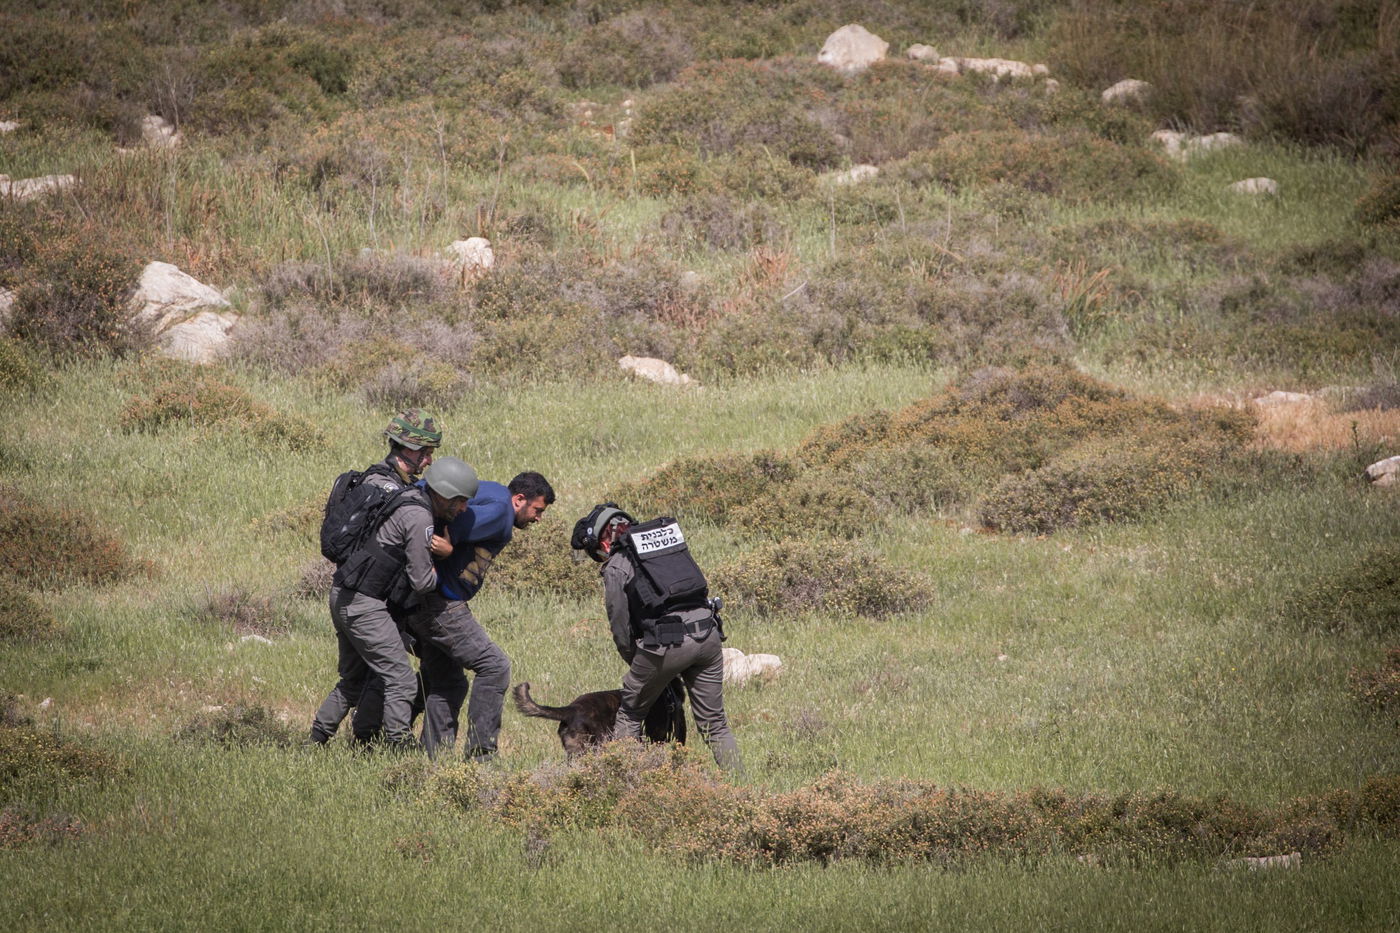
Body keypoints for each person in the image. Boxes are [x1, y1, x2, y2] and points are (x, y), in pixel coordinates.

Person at [305, 408, 453, 746]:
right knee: (402, 680)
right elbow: (419, 576)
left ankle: (314, 743)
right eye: (426, 452)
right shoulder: (404, 501)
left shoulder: (375, 481)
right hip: (365, 601)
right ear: (408, 449)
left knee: (353, 679)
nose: (429, 460)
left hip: (344, 593)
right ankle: (398, 749)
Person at [571, 504, 741, 772]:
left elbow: (621, 628)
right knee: (715, 723)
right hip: (708, 634)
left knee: (629, 713)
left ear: (604, 539)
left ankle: (628, 783)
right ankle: (739, 784)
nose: (600, 555)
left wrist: (637, 663)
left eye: (596, 551)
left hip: (666, 644)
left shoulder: (616, 565)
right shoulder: (664, 546)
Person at [407, 471, 556, 759]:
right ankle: (481, 757)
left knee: (447, 682)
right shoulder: (501, 512)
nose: (538, 518)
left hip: (424, 599)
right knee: (494, 666)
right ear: (519, 499)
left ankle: (432, 757)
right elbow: (453, 526)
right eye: (537, 510)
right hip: (441, 605)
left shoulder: (490, 491)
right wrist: (449, 548)